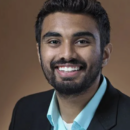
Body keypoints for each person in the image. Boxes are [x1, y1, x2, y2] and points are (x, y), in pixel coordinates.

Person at [9, 0, 130, 130]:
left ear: (105, 54)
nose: (67, 54)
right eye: (54, 41)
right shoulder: (24, 111)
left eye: (82, 41)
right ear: (39, 53)